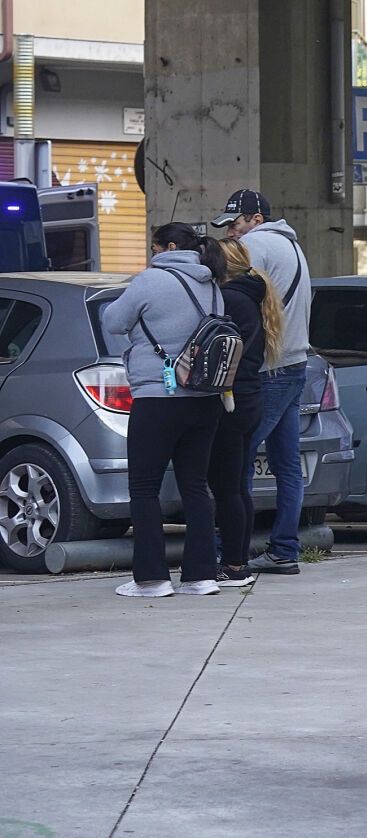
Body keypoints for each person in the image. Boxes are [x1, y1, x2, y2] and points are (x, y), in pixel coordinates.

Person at [100, 223, 228, 598]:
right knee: (195, 487)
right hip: (205, 400)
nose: (150, 254)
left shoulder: (150, 281)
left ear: (168, 247)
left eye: (153, 247)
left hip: (157, 399)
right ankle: (201, 576)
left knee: (143, 488)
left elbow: (113, 322)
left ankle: (153, 579)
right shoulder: (212, 285)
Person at [213, 189, 312, 576]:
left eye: (235, 224)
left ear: (255, 218)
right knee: (287, 465)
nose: (233, 235)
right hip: (296, 363)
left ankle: (230, 551)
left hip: (269, 369)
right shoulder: (294, 247)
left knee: (235, 462)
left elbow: (233, 293)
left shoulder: (254, 245)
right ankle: (284, 548)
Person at [208, 239, 282, 588]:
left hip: (230, 399)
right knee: (237, 485)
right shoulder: (253, 294)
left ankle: (234, 565)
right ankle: (237, 562)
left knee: (226, 488)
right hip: (250, 395)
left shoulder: (229, 298)